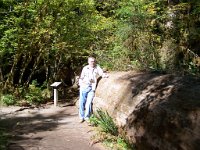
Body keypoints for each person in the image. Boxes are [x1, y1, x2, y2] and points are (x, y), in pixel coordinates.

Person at [78, 56, 108, 123]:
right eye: (91, 61)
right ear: (88, 62)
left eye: (94, 61)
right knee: (82, 103)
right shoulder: (85, 68)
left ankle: (87, 117)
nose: (93, 62)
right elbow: (81, 77)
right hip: (84, 87)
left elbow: (101, 73)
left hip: (92, 88)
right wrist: (81, 84)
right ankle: (81, 117)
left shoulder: (97, 67)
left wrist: (105, 75)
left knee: (89, 103)